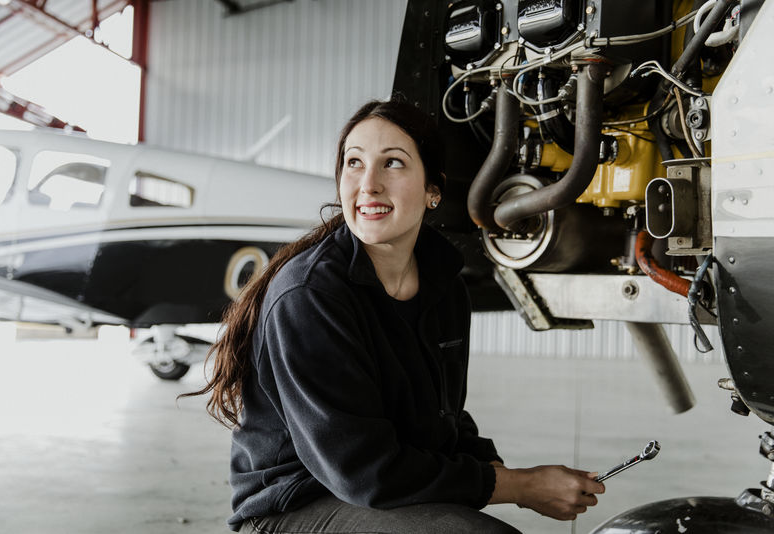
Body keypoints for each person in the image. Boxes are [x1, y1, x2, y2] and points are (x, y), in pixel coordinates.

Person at [187, 99, 605, 533]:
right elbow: (363, 471)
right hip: (291, 506)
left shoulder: (445, 287)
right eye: (354, 163)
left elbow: (442, 417)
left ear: (433, 190)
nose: (369, 184)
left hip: (372, 494)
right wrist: (517, 486)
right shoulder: (310, 296)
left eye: (393, 164)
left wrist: (501, 472)